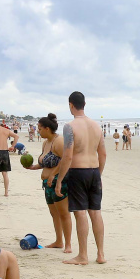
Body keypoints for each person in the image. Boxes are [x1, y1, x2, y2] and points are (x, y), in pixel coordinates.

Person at [58, 92, 106, 265]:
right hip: (94, 171)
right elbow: (103, 153)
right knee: (95, 212)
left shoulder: (70, 127)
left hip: (78, 172)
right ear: (84, 104)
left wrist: (59, 180)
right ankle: (100, 254)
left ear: (71, 105)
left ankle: (83, 255)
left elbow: (68, 156)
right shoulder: (97, 126)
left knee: (80, 213)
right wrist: (98, 173)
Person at [27, 114, 72, 254]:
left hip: (60, 181)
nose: (38, 131)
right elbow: (44, 163)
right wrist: (33, 167)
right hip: (47, 183)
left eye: (40, 128)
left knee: (64, 213)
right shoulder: (45, 143)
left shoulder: (58, 142)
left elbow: (67, 159)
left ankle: (68, 244)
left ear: (47, 128)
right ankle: (59, 241)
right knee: (54, 213)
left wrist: (54, 174)